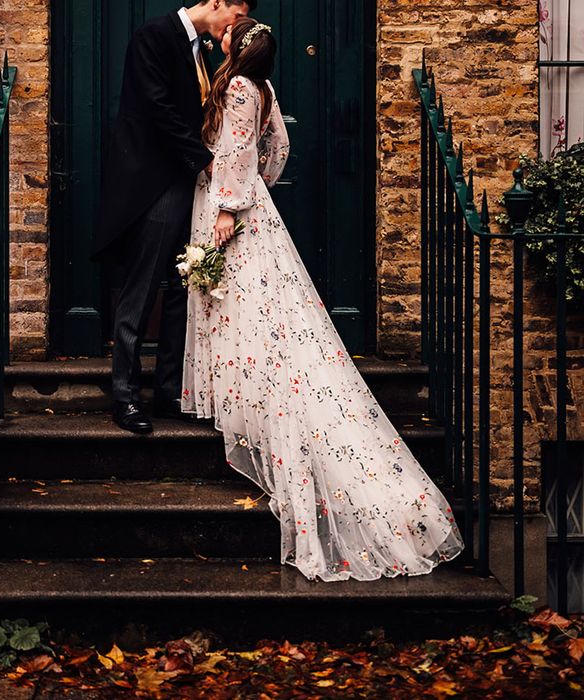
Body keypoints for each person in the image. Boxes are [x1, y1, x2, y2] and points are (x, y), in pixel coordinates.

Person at [181, 17, 466, 582]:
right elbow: (278, 148)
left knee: (242, 307)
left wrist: (228, 209)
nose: (223, 36)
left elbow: (238, 150)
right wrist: (260, 185)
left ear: (238, 52)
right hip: (254, 203)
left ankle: (250, 403)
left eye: (231, 36)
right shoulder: (263, 88)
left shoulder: (239, 87)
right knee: (268, 312)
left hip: (229, 210)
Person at [93, 1, 254, 434]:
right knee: (141, 289)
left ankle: (168, 390)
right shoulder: (154, 37)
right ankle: (124, 396)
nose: (234, 28)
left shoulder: (199, 49)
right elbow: (157, 110)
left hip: (189, 187)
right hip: (157, 186)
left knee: (185, 289)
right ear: (217, 1)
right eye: (236, 17)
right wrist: (206, 162)